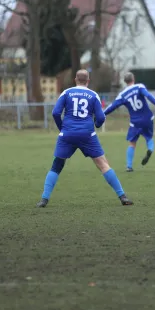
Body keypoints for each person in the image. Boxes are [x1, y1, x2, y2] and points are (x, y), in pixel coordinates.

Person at [36, 70, 133, 207]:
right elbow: (100, 118)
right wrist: (97, 125)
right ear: (88, 81)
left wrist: (62, 128)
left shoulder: (66, 93)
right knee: (103, 164)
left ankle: (44, 199)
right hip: (87, 134)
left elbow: (56, 112)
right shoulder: (93, 95)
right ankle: (122, 196)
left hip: (67, 134)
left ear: (75, 79)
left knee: (57, 165)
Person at [104, 72, 155, 172]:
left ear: (125, 81)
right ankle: (150, 149)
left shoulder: (122, 94)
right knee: (149, 138)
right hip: (147, 118)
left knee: (132, 143)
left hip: (135, 122)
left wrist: (103, 114)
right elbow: (148, 96)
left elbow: (113, 106)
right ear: (133, 79)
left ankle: (129, 166)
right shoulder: (139, 87)